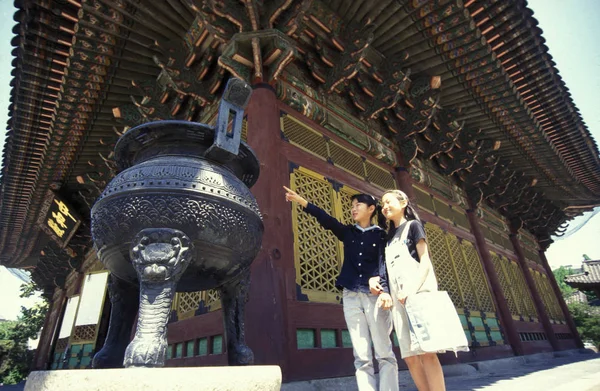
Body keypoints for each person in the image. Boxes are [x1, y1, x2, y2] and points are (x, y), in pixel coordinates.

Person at [283, 186, 398, 391]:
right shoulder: (348, 233)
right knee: (361, 354)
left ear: (371, 209)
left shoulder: (381, 235)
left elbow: (385, 265)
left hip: (375, 295)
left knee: (384, 352)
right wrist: (302, 201)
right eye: (352, 206)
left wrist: (386, 290)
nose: (353, 209)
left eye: (358, 205)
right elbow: (326, 219)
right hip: (351, 295)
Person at [370, 189, 445, 391]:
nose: (384, 207)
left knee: (427, 352)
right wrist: (383, 289)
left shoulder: (413, 226)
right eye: (382, 204)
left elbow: (425, 262)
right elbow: (384, 271)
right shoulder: (386, 238)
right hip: (398, 300)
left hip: (417, 295)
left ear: (403, 203)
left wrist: (410, 289)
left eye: (389, 202)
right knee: (410, 356)